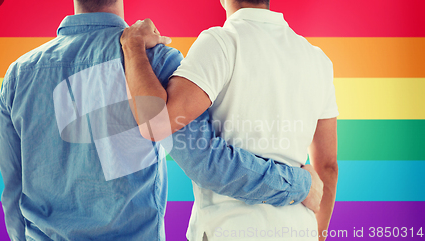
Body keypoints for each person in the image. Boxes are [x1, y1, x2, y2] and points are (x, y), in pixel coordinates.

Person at [0, 0, 321, 240]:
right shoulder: (155, 61)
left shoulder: (18, 75)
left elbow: (12, 190)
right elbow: (207, 162)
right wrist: (299, 184)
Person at [121, 0, 338, 241]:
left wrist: (133, 47)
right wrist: (316, 234)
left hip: (228, 229)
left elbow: (157, 123)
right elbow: (328, 167)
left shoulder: (222, 43)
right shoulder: (318, 61)